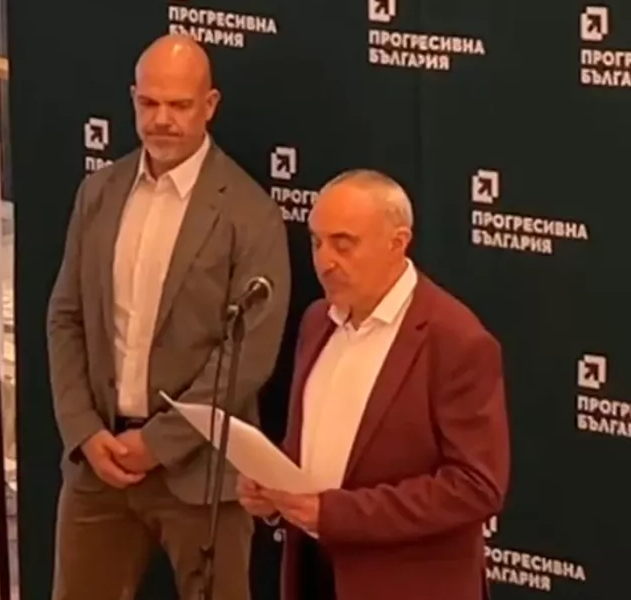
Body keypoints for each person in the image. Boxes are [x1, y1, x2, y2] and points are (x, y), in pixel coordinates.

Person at [46, 33, 290, 600]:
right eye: (149, 103)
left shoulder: (249, 212)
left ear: (210, 105)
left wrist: (158, 442)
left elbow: (247, 355)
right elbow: (66, 317)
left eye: (179, 105)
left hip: (202, 476)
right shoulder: (98, 192)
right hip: (98, 466)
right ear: (132, 99)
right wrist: (84, 431)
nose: (162, 120)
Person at [237, 169, 510, 600]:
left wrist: (336, 514)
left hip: (406, 585)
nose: (324, 260)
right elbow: (318, 447)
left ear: (397, 243)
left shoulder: (455, 340)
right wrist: (273, 491)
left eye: (343, 243)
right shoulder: (317, 321)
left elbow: (475, 487)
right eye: (316, 242)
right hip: (314, 574)